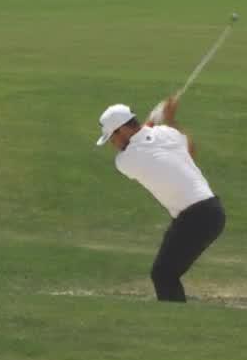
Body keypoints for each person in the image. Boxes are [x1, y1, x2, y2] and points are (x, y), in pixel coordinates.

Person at [96, 95, 225, 302]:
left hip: (195, 217)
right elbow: (189, 151)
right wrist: (170, 119)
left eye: (112, 136)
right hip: (212, 210)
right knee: (165, 272)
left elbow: (142, 142)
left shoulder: (125, 160)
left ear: (123, 129)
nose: (112, 142)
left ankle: (177, 325)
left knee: (163, 275)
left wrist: (155, 118)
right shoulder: (167, 133)